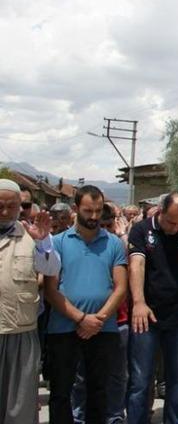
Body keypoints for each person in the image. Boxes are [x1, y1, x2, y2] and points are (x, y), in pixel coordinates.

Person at [44, 186, 128, 424]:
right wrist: (82, 318)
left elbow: (121, 287)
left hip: (104, 330)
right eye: (88, 211)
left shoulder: (113, 243)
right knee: (61, 392)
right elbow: (51, 289)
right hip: (63, 328)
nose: (93, 216)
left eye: (98, 211)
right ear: (75, 209)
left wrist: (98, 319)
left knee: (98, 391)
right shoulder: (57, 243)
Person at [126, 192, 178, 424]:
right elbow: (137, 264)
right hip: (147, 316)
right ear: (160, 212)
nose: (175, 228)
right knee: (141, 380)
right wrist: (139, 302)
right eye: (171, 222)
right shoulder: (141, 230)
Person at [0, 179, 60, 423]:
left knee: (19, 409)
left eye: (12, 206)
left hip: (20, 333)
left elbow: (51, 267)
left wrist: (42, 241)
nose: (5, 212)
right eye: (0, 206)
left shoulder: (32, 235)